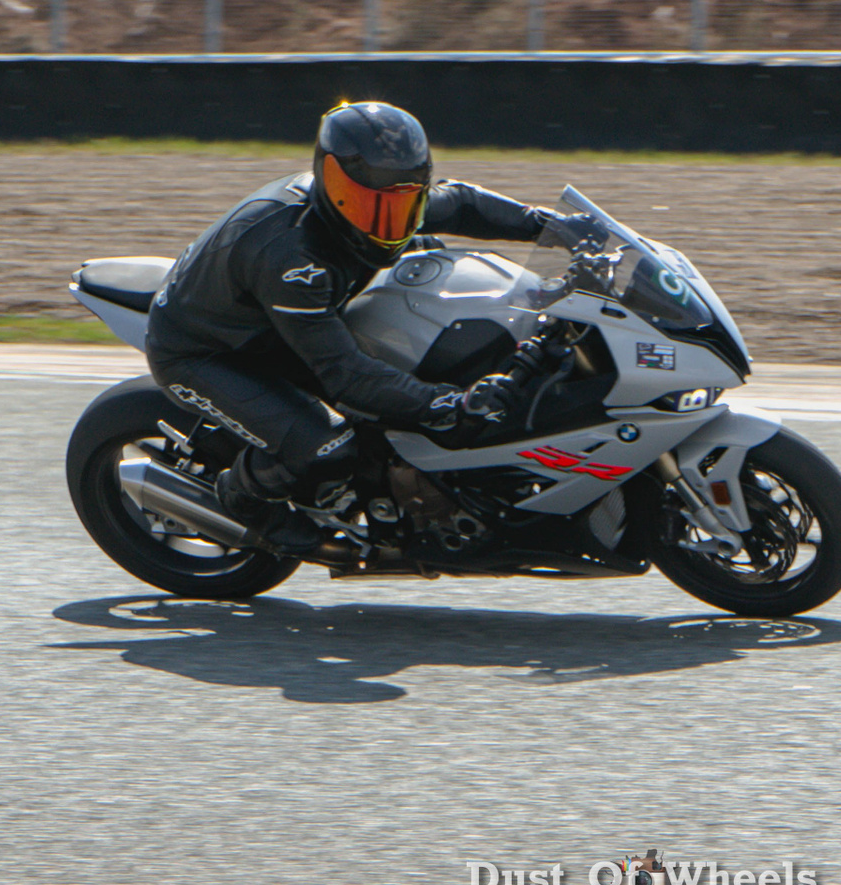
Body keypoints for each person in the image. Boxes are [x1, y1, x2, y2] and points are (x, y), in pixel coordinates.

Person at [144, 101, 552, 558]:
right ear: (330, 182)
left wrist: (551, 225)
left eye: (403, 204)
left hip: (276, 325)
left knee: (421, 285)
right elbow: (345, 374)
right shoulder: (292, 258)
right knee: (329, 445)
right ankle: (242, 498)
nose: (386, 223)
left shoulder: (386, 200)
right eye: (367, 205)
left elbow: (461, 203)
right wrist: (446, 402)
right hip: (207, 352)